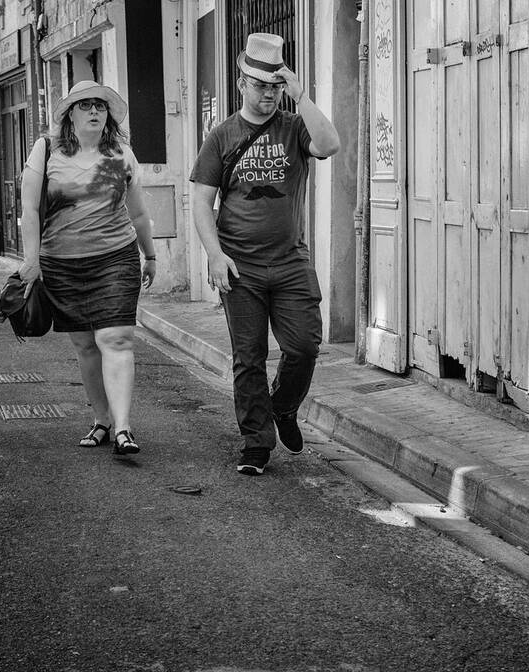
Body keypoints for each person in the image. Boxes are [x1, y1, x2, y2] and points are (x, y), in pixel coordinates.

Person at [190, 33, 340, 475]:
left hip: (291, 263)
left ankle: (284, 407)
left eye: (275, 86)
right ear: (242, 85)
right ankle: (256, 443)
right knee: (249, 357)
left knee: (305, 346)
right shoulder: (221, 137)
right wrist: (215, 257)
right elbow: (201, 202)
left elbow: (330, 144)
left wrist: (302, 95)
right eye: (260, 85)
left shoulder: (295, 128)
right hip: (241, 268)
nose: (269, 93)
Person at [19, 80, 158, 456]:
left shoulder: (120, 154)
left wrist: (151, 255)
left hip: (115, 257)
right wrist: (31, 261)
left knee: (115, 339)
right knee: (85, 345)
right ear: (69, 115)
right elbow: (29, 209)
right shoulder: (46, 150)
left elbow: (139, 212)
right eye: (85, 106)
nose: (94, 111)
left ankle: (124, 427)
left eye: (100, 105)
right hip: (61, 263)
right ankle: (102, 420)